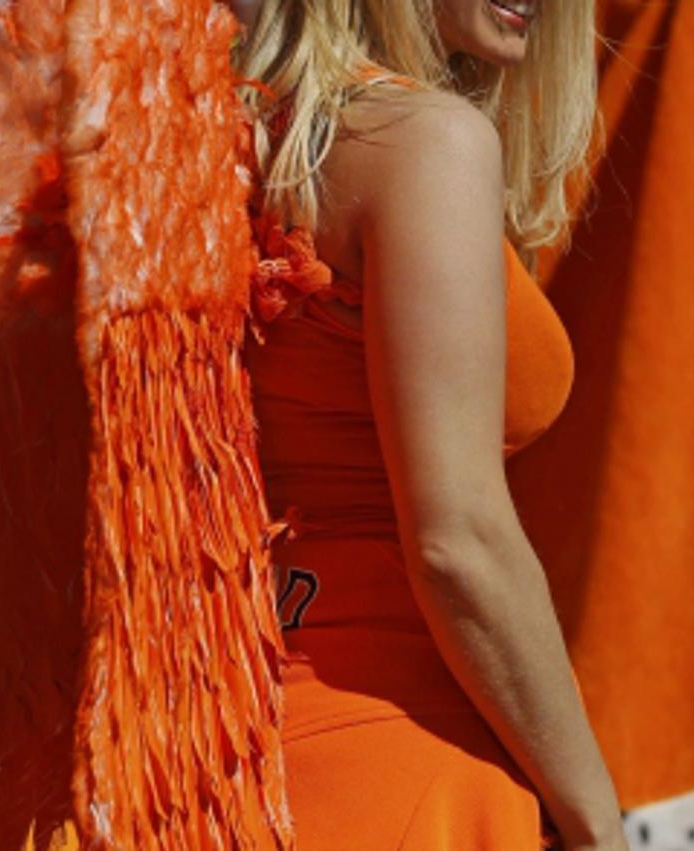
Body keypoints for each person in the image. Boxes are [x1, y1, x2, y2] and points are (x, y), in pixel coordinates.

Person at [232, 1, 627, 848]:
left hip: (224, 743)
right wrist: (596, 818)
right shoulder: (425, 143)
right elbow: (459, 541)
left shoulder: (192, 136)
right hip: (401, 742)